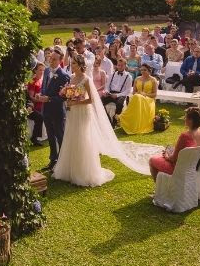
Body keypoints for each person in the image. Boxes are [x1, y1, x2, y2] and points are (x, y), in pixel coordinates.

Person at [52, 54, 159, 186]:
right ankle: (68, 169)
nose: (71, 66)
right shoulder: (72, 77)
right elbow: (70, 94)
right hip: (73, 112)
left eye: (74, 64)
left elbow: (91, 99)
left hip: (83, 112)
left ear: (80, 65)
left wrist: (75, 103)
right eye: (71, 63)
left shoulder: (86, 79)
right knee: (71, 137)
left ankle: (83, 172)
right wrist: (68, 98)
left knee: (82, 138)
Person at [149, 107, 200, 180]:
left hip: (178, 169)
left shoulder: (185, 136)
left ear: (190, 120)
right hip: (192, 167)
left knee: (152, 160)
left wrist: (167, 156)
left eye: (185, 117)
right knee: (170, 149)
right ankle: (165, 184)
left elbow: (173, 159)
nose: (184, 119)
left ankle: (160, 187)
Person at [37, 50, 70, 171]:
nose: (51, 61)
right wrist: (40, 95)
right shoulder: (46, 71)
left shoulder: (64, 76)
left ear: (61, 61)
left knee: (60, 136)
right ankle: (53, 159)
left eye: (54, 59)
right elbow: (43, 87)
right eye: (51, 58)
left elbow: (64, 97)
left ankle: (63, 162)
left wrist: (49, 99)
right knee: (50, 136)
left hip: (57, 111)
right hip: (45, 110)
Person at [118, 64, 157, 135]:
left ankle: (123, 116)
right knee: (136, 96)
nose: (143, 71)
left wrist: (145, 94)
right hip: (138, 99)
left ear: (149, 71)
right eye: (141, 70)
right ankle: (126, 118)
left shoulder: (153, 80)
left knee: (137, 97)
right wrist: (139, 94)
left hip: (149, 100)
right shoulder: (137, 79)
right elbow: (134, 92)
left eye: (144, 70)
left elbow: (154, 94)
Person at [102, 58, 133, 127]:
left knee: (119, 104)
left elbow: (128, 90)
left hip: (121, 94)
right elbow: (107, 85)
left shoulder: (128, 76)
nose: (119, 67)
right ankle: (108, 119)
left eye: (121, 65)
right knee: (101, 101)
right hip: (110, 93)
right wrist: (107, 91)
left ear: (125, 66)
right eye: (118, 65)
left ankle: (115, 119)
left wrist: (117, 95)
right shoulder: (112, 74)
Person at [26, 61, 45, 146]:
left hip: (40, 106)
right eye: (40, 70)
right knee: (40, 117)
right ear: (35, 71)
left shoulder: (40, 81)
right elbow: (30, 97)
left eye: (43, 70)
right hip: (32, 107)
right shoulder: (32, 82)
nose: (42, 72)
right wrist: (41, 99)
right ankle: (34, 138)